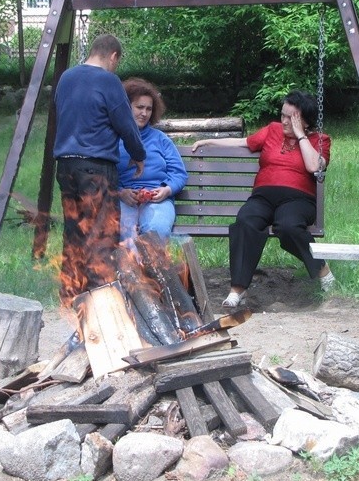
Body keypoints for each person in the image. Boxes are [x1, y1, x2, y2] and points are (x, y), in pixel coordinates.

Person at [191, 90, 334, 308]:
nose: (284, 121)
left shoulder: (320, 140)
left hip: (298, 200)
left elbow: (314, 166)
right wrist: (209, 141)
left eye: (291, 117)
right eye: (283, 115)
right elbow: (244, 142)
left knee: (288, 227)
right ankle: (237, 289)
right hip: (263, 197)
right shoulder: (272, 130)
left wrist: (301, 135)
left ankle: (321, 269)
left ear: (305, 121)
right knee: (245, 221)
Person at [53, 34, 146, 308]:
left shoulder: (66, 78)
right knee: (101, 235)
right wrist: (139, 155)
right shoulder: (109, 81)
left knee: (74, 233)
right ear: (114, 56)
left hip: (66, 166)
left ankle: (71, 297)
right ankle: (101, 299)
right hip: (96, 168)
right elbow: (126, 125)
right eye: (117, 62)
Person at [117, 78, 187, 250]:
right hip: (125, 200)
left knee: (157, 230)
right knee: (126, 234)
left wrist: (167, 190)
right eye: (139, 107)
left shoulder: (161, 139)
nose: (144, 113)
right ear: (127, 107)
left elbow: (179, 173)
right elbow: (104, 174)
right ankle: (131, 275)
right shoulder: (112, 139)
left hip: (157, 200)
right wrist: (120, 193)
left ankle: (152, 274)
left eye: (149, 109)